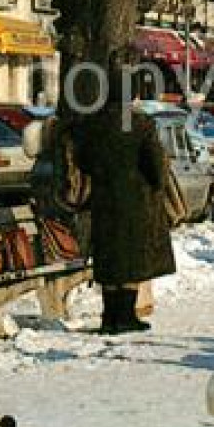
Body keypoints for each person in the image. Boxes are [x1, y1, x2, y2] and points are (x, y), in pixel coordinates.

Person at [73, 79, 178, 335]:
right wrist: (158, 184)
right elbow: (156, 163)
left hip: (104, 200)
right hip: (136, 200)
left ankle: (109, 317)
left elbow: (82, 160)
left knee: (109, 257)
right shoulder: (141, 123)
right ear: (133, 96)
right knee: (132, 259)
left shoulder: (93, 124)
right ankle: (126, 316)